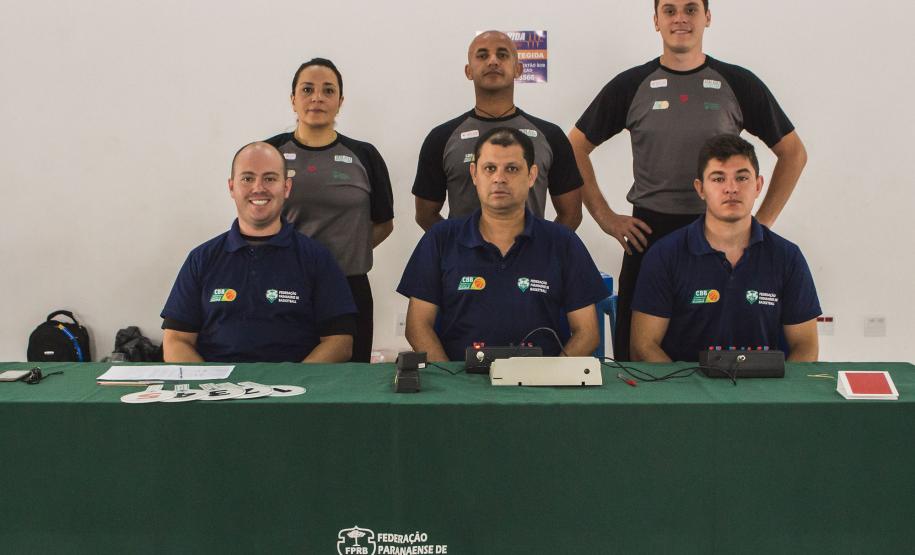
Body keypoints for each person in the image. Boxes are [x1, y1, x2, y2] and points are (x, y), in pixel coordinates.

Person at [568, 0, 808, 360]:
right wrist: (605, 217)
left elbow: (794, 153)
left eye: (691, 9)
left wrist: (764, 221)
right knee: (640, 358)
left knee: (722, 350)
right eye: (670, 10)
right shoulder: (632, 84)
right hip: (649, 233)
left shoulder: (737, 83)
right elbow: (573, 148)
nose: (680, 18)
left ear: (707, 17)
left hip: (720, 235)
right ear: (656, 21)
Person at [398, 127, 607, 361]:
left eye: (512, 169)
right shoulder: (440, 239)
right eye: (490, 169)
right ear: (474, 174)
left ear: (531, 175)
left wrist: (549, 380)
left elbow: (588, 334)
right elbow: (417, 328)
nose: (499, 178)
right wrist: (451, 382)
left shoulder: (563, 243)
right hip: (461, 383)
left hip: (541, 386)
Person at [161, 142, 357, 363]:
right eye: (247, 178)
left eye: (270, 178)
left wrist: (291, 385)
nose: (258, 187)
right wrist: (210, 387)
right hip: (218, 391)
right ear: (232, 187)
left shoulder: (318, 259)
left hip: (293, 390)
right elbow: (175, 341)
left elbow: (339, 342)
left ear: (286, 188)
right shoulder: (201, 259)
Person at [630, 135, 820, 362]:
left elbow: (806, 347)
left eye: (742, 178)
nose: (731, 188)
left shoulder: (788, 257)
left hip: (764, 393)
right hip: (687, 391)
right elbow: (643, 347)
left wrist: (775, 395)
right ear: (700, 188)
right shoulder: (664, 256)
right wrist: (686, 394)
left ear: (758, 185)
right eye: (718, 179)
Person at [266, 58, 394, 363]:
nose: (317, 98)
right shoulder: (270, 153)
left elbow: (384, 223)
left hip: (349, 286)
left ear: (340, 101)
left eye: (328, 90)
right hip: (284, 285)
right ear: (293, 99)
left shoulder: (365, 155)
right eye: (307, 89)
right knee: (284, 378)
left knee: (350, 385)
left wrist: (342, 254)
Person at [412, 30, 583, 231]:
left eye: (502, 55)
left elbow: (571, 214)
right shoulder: (440, 138)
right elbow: (425, 215)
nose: (493, 61)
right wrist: (457, 248)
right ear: (468, 71)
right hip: (464, 262)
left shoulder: (551, 136)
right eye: (482, 55)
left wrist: (540, 251)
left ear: (518, 69)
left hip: (530, 262)